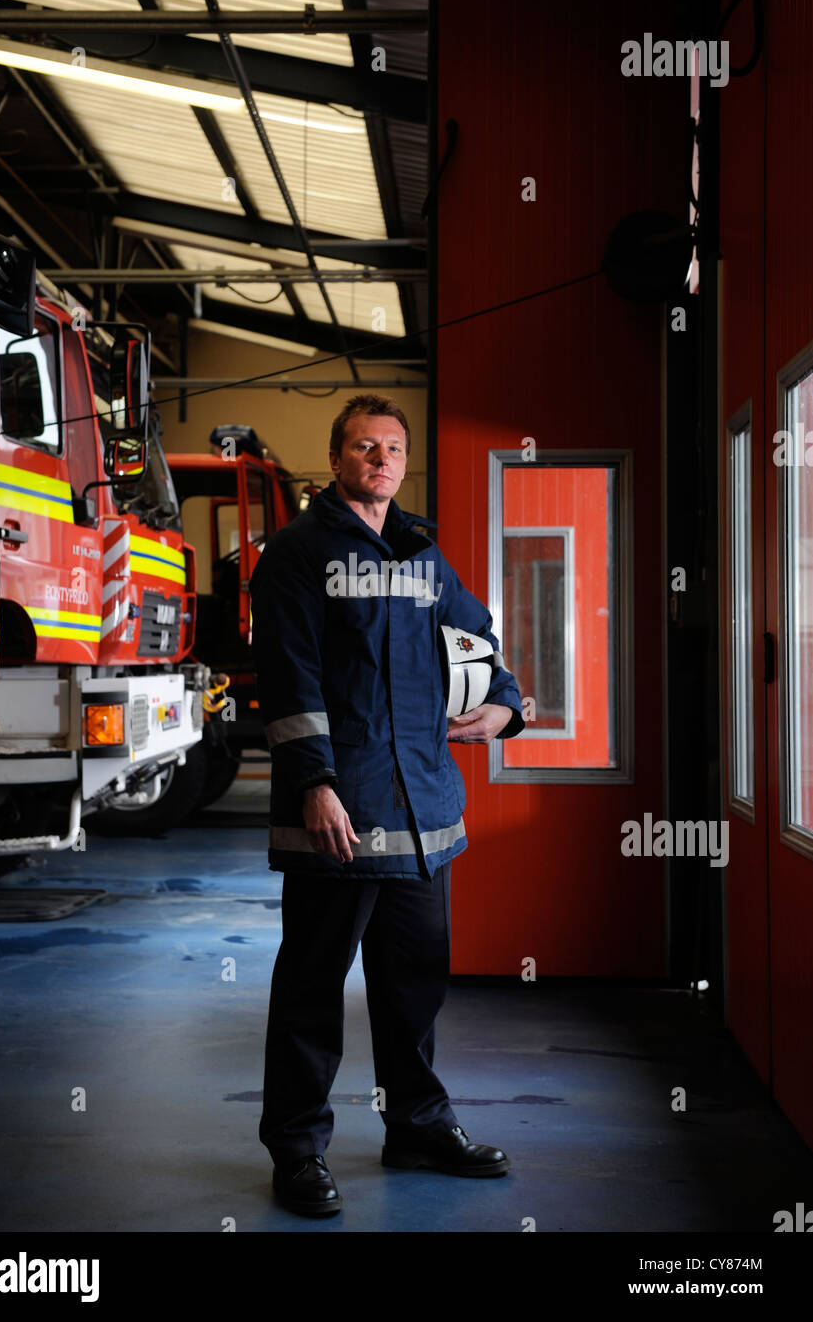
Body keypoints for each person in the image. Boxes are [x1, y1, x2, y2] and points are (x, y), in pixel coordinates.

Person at [249, 394, 527, 1217]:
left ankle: (417, 1126)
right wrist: (313, 785)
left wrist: (508, 706)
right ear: (336, 460)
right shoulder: (298, 555)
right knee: (311, 989)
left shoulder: (421, 556)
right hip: (340, 813)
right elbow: (288, 678)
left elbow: (480, 642)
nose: (380, 460)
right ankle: (296, 1151)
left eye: (393, 449)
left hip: (424, 819)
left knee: (413, 987)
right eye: (364, 447)